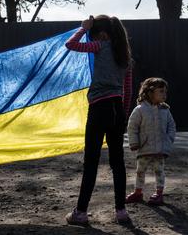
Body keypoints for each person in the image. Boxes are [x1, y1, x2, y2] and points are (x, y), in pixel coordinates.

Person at [64, 15, 133, 226]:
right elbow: (128, 91)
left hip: (99, 108)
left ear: (101, 34)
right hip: (117, 109)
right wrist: (123, 114)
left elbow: (71, 44)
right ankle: (121, 211)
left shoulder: (100, 46)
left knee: (91, 162)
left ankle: (81, 212)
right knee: (117, 163)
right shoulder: (126, 57)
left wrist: (83, 28)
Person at [125, 77, 176, 206]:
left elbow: (172, 126)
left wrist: (169, 139)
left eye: (165, 92)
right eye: (161, 91)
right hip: (144, 148)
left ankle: (159, 194)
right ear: (150, 92)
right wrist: (134, 142)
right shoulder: (140, 110)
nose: (164, 95)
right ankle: (138, 192)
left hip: (160, 148)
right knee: (140, 171)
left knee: (159, 171)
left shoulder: (165, 110)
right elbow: (132, 127)